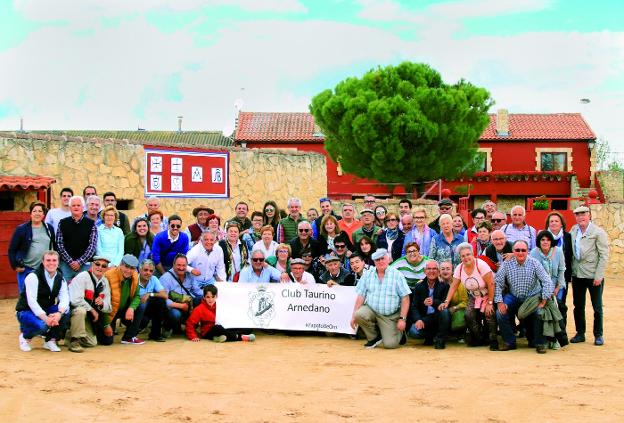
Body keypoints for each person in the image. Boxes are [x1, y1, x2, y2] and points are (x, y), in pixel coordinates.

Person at [494, 240, 553, 353]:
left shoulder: (534, 263)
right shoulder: (506, 264)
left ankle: (539, 343)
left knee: (539, 313)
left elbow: (547, 281)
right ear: (513, 251)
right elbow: (498, 282)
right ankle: (509, 342)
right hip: (513, 296)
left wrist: (544, 300)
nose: (520, 253)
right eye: (517, 250)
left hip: (532, 297)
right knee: (500, 313)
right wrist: (499, 301)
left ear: (527, 251)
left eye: (523, 250)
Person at [440, 243, 497, 350]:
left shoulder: (481, 265)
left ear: (473, 254)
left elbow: (491, 284)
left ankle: (493, 340)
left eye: (468, 254)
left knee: (489, 314)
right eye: (463, 256)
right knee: (468, 315)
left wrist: (490, 302)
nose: (466, 258)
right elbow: (453, 286)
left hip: (489, 293)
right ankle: (478, 338)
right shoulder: (459, 268)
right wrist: (446, 301)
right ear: (460, 257)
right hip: (474, 295)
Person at [351, 249, 410, 349]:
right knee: (358, 314)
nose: (380, 262)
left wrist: (402, 319)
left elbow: (405, 298)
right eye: (377, 260)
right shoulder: (367, 274)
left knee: (390, 345)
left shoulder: (397, 275)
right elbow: (361, 296)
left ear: (388, 259)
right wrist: (353, 316)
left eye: (382, 258)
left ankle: (399, 332)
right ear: (374, 262)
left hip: (390, 315)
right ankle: (374, 337)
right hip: (372, 310)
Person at [569, 205, 609, 346]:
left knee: (597, 307)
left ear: (589, 215)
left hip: (593, 275)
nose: (581, 217)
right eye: (578, 215)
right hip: (578, 274)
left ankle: (598, 334)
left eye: (583, 214)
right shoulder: (573, 230)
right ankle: (580, 333)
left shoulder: (598, 232)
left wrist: (599, 275)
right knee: (578, 305)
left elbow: (604, 255)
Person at [16, 251, 69, 352]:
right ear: (43, 262)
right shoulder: (33, 276)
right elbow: (32, 301)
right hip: (26, 311)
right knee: (42, 326)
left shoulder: (60, 278)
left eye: (54, 260)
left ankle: (50, 340)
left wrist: (59, 313)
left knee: (66, 311)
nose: (51, 263)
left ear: (58, 262)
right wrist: (45, 318)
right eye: (48, 260)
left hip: (46, 308)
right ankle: (25, 337)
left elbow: (65, 297)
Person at [530, 230, 569, 349]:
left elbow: (562, 270)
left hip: (557, 284)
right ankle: (548, 338)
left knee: (559, 308)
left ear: (551, 241)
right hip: (540, 287)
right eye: (542, 239)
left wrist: (557, 287)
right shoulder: (533, 253)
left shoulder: (558, 252)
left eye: (547, 239)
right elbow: (533, 275)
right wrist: (544, 291)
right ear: (539, 241)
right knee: (545, 312)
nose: (545, 242)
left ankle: (558, 337)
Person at [67, 256, 113, 352]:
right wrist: (91, 309)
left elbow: (109, 308)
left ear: (107, 269)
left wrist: (102, 304)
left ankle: (69, 335)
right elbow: (75, 300)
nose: (100, 267)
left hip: (88, 316)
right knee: (80, 310)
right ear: (92, 264)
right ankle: (74, 341)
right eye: (97, 264)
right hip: (71, 312)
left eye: (104, 266)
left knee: (92, 343)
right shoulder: (82, 276)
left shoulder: (105, 282)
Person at [9, 201, 55, 294]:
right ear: (30, 214)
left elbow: (53, 246)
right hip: (26, 269)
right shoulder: (22, 229)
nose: (37, 213)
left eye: (40, 211)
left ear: (44, 214)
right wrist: (15, 266)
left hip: (44, 269)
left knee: (43, 295)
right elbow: (12, 250)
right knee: (25, 296)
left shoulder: (49, 228)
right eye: (34, 211)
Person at [186, 285, 255, 342]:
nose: (210, 300)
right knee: (217, 328)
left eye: (213, 297)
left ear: (216, 296)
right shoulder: (199, 309)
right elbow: (190, 323)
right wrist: (193, 336)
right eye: (208, 297)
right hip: (208, 331)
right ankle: (240, 337)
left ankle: (219, 338)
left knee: (248, 328)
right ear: (204, 297)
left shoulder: (221, 305)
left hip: (224, 328)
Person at [104, 254, 146, 345]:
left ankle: (129, 337)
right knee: (107, 341)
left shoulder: (135, 275)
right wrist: (106, 324)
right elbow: (103, 301)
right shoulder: (108, 276)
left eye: (132, 268)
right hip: (109, 311)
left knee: (141, 306)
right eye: (126, 267)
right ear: (120, 265)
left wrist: (131, 308)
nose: (129, 271)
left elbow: (137, 296)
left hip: (124, 309)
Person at [410, 260, 451, 349]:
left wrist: (434, 302)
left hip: (437, 317)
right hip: (425, 318)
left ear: (438, 271)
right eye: (429, 269)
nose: (431, 271)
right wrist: (418, 320)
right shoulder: (419, 286)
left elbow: (446, 303)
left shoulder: (444, 285)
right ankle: (430, 336)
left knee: (445, 311)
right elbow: (414, 306)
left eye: (434, 269)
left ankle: (440, 339)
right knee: (414, 331)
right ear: (425, 271)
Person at [56, 195, 98, 280]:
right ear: (70, 207)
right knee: (65, 290)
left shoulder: (91, 224)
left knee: (84, 291)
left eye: (78, 205)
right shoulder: (62, 223)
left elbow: (92, 246)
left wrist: (79, 262)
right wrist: (70, 261)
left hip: (85, 265)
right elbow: (59, 244)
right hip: (66, 265)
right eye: (73, 205)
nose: (76, 207)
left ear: (83, 207)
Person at [160, 253, 203, 336]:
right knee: (175, 314)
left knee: (202, 299)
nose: (181, 268)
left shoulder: (190, 275)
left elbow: (197, 291)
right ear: (173, 264)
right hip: (174, 307)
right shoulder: (165, 278)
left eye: (184, 265)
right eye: (178, 265)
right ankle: (167, 328)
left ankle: (195, 328)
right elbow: (163, 300)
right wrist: (181, 306)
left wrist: (211, 295)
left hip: (188, 305)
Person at [545, 211, 573, 326]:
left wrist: (568, 277)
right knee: (547, 304)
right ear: (548, 224)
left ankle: (561, 331)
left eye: (556, 221)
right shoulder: (543, 237)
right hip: (546, 277)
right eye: (551, 221)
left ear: (561, 224)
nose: (554, 223)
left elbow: (569, 256)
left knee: (560, 303)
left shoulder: (567, 237)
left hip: (561, 277)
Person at [136, 259, 168, 342]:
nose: (148, 273)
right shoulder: (134, 279)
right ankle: (135, 330)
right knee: (155, 304)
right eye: (145, 270)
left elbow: (165, 295)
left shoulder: (153, 279)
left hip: (148, 308)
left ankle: (155, 334)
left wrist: (150, 294)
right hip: (135, 308)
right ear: (140, 270)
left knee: (160, 301)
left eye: (151, 271)